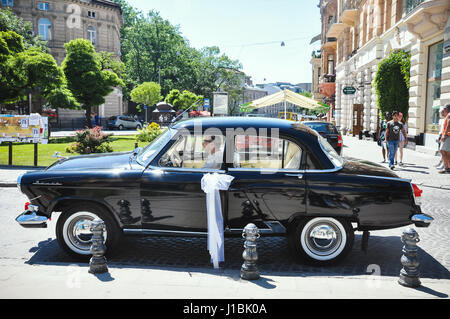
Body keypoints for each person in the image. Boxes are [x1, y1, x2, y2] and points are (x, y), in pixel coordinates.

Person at [438, 104, 450, 174]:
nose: (443, 110)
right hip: (447, 136)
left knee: (443, 151)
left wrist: (444, 135)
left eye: (444, 109)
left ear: (446, 109)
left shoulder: (449, 115)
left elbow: (448, 125)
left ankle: (447, 168)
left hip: (447, 136)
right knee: (446, 152)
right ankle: (447, 168)